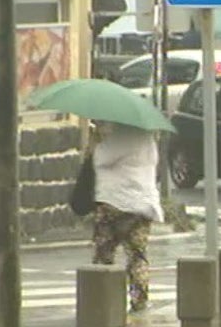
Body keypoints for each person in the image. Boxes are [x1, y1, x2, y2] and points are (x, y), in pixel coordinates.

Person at [91, 121, 164, 313]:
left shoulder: (119, 139)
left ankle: (102, 300)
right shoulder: (148, 140)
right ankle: (139, 299)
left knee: (104, 252)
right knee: (137, 255)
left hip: (114, 203)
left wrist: (97, 141)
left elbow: (99, 159)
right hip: (142, 205)